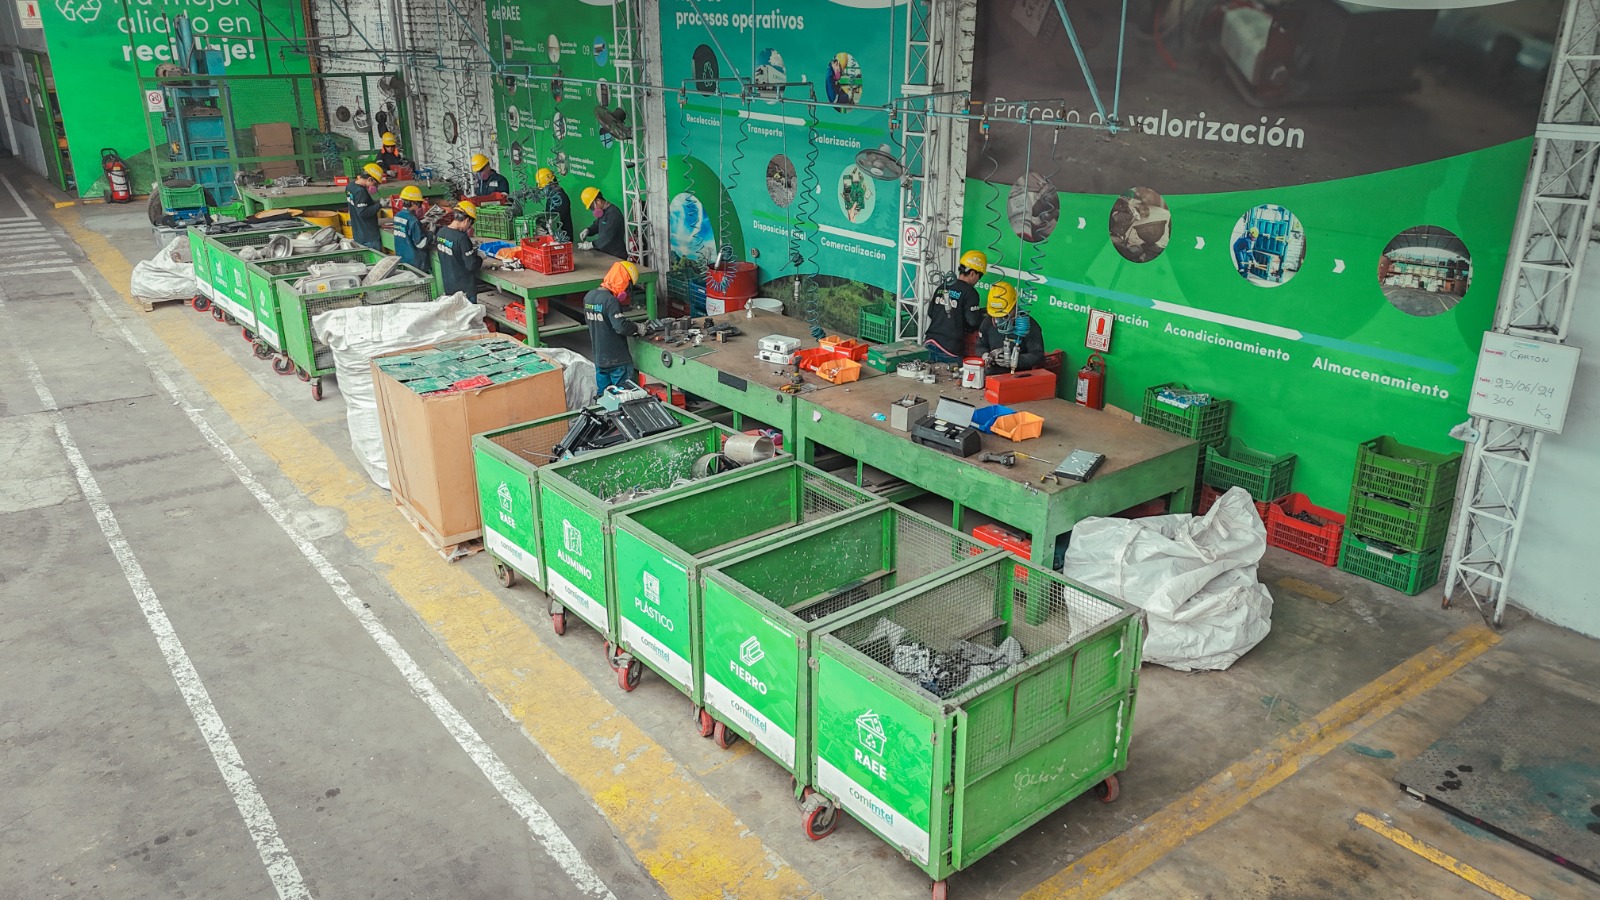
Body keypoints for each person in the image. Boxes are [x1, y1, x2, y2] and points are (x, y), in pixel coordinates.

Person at [585, 260, 642, 394]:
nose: (626, 292)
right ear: (622, 280)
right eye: (627, 286)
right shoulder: (611, 301)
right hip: (618, 360)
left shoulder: (589, 297)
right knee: (624, 396)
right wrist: (637, 327)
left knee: (603, 396)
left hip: (600, 358)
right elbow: (621, 327)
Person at [925, 249, 987, 362]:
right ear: (973, 273)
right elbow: (973, 321)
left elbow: (931, 313)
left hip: (929, 342)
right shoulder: (970, 292)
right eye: (979, 276)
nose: (978, 280)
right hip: (949, 348)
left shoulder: (943, 286)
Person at [974, 281, 1044, 376]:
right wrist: (986, 356)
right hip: (992, 375)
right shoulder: (987, 322)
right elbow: (980, 346)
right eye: (995, 315)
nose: (999, 320)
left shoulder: (1029, 326)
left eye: (1004, 316)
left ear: (1014, 306)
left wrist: (1015, 360)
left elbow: (1038, 355)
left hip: (1018, 377)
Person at [437, 202, 482, 303]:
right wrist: (480, 258)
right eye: (470, 224)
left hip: (449, 286)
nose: (469, 227)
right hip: (465, 290)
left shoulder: (441, 232)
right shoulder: (462, 238)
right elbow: (471, 265)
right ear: (467, 220)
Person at [391, 185, 431, 274]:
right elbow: (420, 244)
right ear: (413, 203)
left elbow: (406, 229)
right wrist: (431, 234)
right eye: (419, 204)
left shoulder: (397, 216)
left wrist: (420, 223)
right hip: (415, 263)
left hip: (402, 258)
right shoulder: (413, 220)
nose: (420, 206)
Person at [577, 187, 626, 258]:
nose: (593, 210)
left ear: (598, 201)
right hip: (606, 253)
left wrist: (591, 245)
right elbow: (597, 225)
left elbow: (607, 238)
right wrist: (588, 230)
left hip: (616, 255)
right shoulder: (604, 212)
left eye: (592, 207)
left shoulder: (613, 213)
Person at [347, 163, 386, 250]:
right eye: (375, 184)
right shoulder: (361, 192)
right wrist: (380, 205)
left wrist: (375, 202)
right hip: (369, 237)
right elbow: (363, 212)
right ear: (370, 179)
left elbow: (358, 204)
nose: (376, 187)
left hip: (358, 234)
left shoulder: (350, 186)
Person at [537, 167, 575, 241]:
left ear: (549, 184)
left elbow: (556, 218)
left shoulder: (560, 198)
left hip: (562, 239)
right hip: (554, 238)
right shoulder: (552, 195)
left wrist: (543, 227)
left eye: (544, 188)